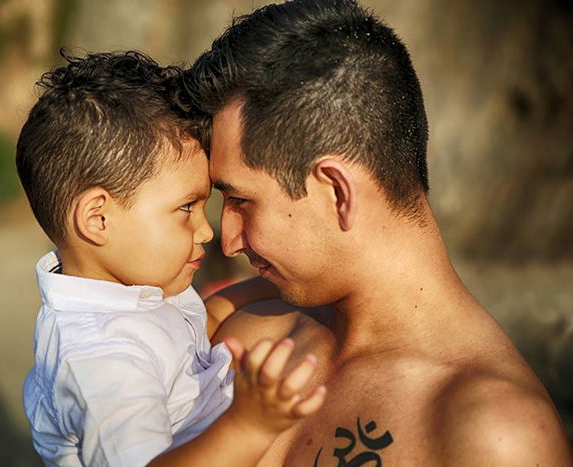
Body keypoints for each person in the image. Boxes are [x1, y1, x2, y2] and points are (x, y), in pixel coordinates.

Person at [183, 0, 573, 464]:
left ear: (337, 192)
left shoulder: (491, 434)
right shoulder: (239, 326)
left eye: (240, 201)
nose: (228, 239)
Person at [16, 51, 327, 466]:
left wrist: (289, 278)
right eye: (186, 208)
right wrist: (250, 425)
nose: (207, 231)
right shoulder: (101, 360)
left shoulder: (138, 285)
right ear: (98, 218)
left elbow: (205, 317)